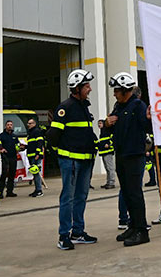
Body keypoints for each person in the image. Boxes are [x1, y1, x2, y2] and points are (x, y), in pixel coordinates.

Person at [46, 69, 98, 250]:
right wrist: (60, 154)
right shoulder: (65, 107)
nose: (90, 89)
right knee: (68, 197)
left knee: (81, 197)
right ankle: (63, 236)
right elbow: (52, 135)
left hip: (85, 161)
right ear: (77, 88)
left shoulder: (84, 107)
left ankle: (77, 232)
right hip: (71, 161)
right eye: (87, 86)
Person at [104, 73, 150, 246]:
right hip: (121, 155)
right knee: (127, 193)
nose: (114, 94)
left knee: (134, 193)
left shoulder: (138, 106)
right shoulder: (118, 106)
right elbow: (108, 127)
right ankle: (133, 225)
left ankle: (142, 231)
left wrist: (150, 119)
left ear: (125, 91)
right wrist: (107, 123)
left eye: (116, 91)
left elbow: (147, 126)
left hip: (134, 156)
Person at [25, 118, 45, 197]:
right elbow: (31, 145)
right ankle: (37, 190)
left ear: (34, 124)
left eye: (30, 123)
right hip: (31, 156)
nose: (28, 125)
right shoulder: (30, 133)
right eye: (28, 123)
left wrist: (37, 154)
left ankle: (39, 190)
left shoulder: (37, 131)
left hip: (35, 156)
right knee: (35, 173)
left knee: (36, 173)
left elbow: (40, 143)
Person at [0, 120, 19, 198]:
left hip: (13, 157)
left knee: (12, 174)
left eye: (11, 124)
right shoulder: (2, 136)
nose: (10, 126)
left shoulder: (14, 136)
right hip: (5, 158)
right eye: (8, 125)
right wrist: (1, 149)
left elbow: (17, 145)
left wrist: (20, 148)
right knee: (4, 175)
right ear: (5, 126)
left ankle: (10, 191)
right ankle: (0, 192)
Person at [97, 119, 116, 189]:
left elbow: (113, 139)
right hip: (103, 153)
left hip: (108, 152)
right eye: (98, 124)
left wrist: (109, 144)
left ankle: (111, 182)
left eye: (100, 123)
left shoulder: (107, 131)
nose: (99, 125)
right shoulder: (102, 133)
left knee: (110, 168)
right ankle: (108, 182)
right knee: (107, 168)